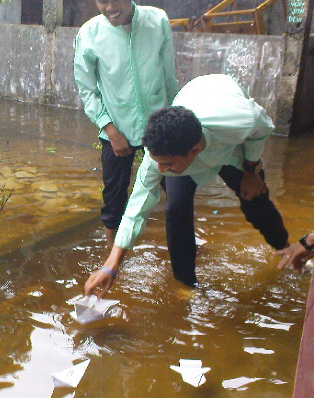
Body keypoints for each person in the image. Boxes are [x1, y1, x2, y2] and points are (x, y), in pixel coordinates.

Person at [85, 74, 289, 295]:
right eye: (157, 163)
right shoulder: (159, 156)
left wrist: (251, 170)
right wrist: (111, 265)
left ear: (194, 151)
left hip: (229, 149)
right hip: (192, 119)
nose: (161, 170)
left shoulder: (240, 120)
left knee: (255, 198)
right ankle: (186, 285)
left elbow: (263, 129)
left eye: (168, 164)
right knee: (176, 208)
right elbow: (138, 205)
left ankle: (287, 251)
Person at [73, 0, 179, 249]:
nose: (109, 7)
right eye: (102, 1)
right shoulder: (89, 33)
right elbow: (87, 89)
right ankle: (113, 256)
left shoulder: (157, 21)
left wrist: (175, 119)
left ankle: (183, 250)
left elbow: (168, 76)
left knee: (176, 188)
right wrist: (109, 129)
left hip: (159, 125)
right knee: (114, 194)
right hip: (116, 128)